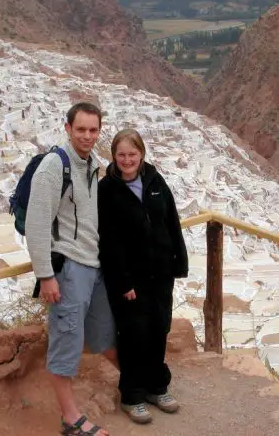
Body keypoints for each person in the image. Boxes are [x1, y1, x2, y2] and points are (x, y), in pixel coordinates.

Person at [26, 102, 116, 436]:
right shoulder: (54, 166)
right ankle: (70, 418)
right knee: (66, 340)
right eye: (81, 129)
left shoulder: (92, 163)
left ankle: (134, 386)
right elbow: (37, 226)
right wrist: (46, 275)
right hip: (68, 269)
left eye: (93, 130)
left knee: (102, 332)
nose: (87, 136)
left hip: (93, 266)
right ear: (67, 128)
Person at [98, 129, 188, 425]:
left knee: (158, 328)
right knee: (135, 334)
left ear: (142, 154)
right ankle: (132, 395)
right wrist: (123, 282)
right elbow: (108, 241)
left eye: (132, 154)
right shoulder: (107, 190)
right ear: (114, 156)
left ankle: (157, 387)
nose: (127, 160)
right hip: (131, 280)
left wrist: (179, 262)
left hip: (160, 273)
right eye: (121, 155)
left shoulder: (154, 180)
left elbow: (171, 221)